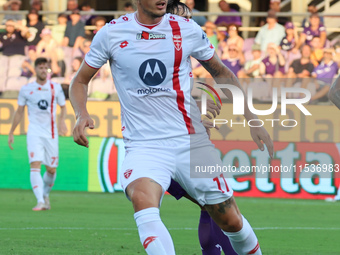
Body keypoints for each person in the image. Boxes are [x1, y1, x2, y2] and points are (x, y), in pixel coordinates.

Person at [70, 1, 273, 254]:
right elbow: (80, 80)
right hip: (144, 145)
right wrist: (81, 113)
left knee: (230, 220)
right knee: (143, 201)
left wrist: (252, 119)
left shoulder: (186, 29)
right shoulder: (111, 33)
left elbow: (222, 73)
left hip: (190, 141)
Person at [8, 57, 67, 211]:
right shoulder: (26, 89)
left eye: (45, 68)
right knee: (35, 165)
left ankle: (45, 194)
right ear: (35, 69)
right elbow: (19, 111)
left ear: (48, 70)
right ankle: (40, 201)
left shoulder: (56, 87)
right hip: (34, 132)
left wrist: (62, 121)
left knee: (51, 169)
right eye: (40, 67)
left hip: (51, 133)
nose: (43, 70)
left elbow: (63, 106)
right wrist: (11, 131)